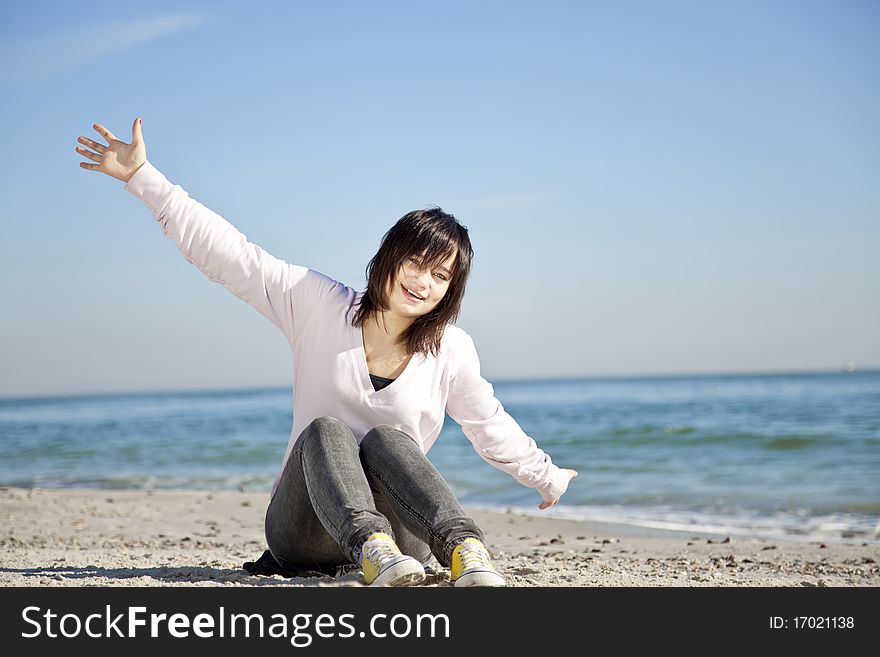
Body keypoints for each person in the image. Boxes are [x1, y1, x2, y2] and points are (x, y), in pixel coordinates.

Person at [76, 118, 579, 587]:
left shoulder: (450, 348)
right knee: (326, 430)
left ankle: (465, 549)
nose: (423, 281)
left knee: (389, 439)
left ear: (451, 289)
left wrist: (547, 477)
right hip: (303, 529)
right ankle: (370, 550)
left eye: (441, 275)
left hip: (406, 542)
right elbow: (231, 255)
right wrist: (143, 176)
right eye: (416, 262)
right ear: (389, 257)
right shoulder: (318, 305)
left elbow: (487, 423)